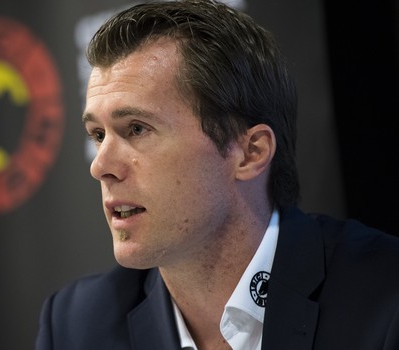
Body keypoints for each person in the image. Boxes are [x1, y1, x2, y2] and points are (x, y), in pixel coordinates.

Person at [35, 0, 399, 349]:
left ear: (250, 152)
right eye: (98, 135)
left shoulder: (385, 299)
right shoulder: (76, 324)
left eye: (137, 129)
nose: (100, 166)